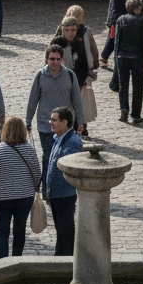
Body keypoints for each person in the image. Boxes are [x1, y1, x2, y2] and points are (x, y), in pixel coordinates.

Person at [0, 116, 42, 258]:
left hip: (2, 197)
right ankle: (17, 259)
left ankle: (3, 263)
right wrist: (32, 187)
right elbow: (37, 174)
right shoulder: (29, 149)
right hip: (25, 197)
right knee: (19, 230)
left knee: (2, 232)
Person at [26, 46, 84, 174]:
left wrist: (81, 121)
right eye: (52, 59)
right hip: (46, 124)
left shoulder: (70, 75)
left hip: (65, 125)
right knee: (48, 157)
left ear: (62, 59)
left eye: (58, 59)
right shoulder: (40, 75)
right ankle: (47, 185)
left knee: (65, 158)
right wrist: (28, 121)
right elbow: (33, 100)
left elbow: (77, 101)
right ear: (46, 59)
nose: (55, 62)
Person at [43, 107, 82, 256]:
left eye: (54, 120)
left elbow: (69, 169)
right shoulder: (59, 138)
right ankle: (60, 260)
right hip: (56, 193)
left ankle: (68, 261)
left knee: (66, 232)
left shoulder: (72, 142)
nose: (50, 122)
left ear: (64, 122)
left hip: (64, 194)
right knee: (61, 231)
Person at [113, 0, 143, 123]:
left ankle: (124, 108)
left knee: (123, 85)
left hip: (122, 57)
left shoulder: (120, 20)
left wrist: (116, 57)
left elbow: (117, 41)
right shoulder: (142, 21)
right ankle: (136, 114)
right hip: (137, 57)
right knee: (138, 86)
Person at [100, 0, 135, 68]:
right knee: (113, 39)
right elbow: (118, 7)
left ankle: (104, 57)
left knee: (112, 38)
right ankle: (107, 58)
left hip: (119, 18)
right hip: (116, 19)